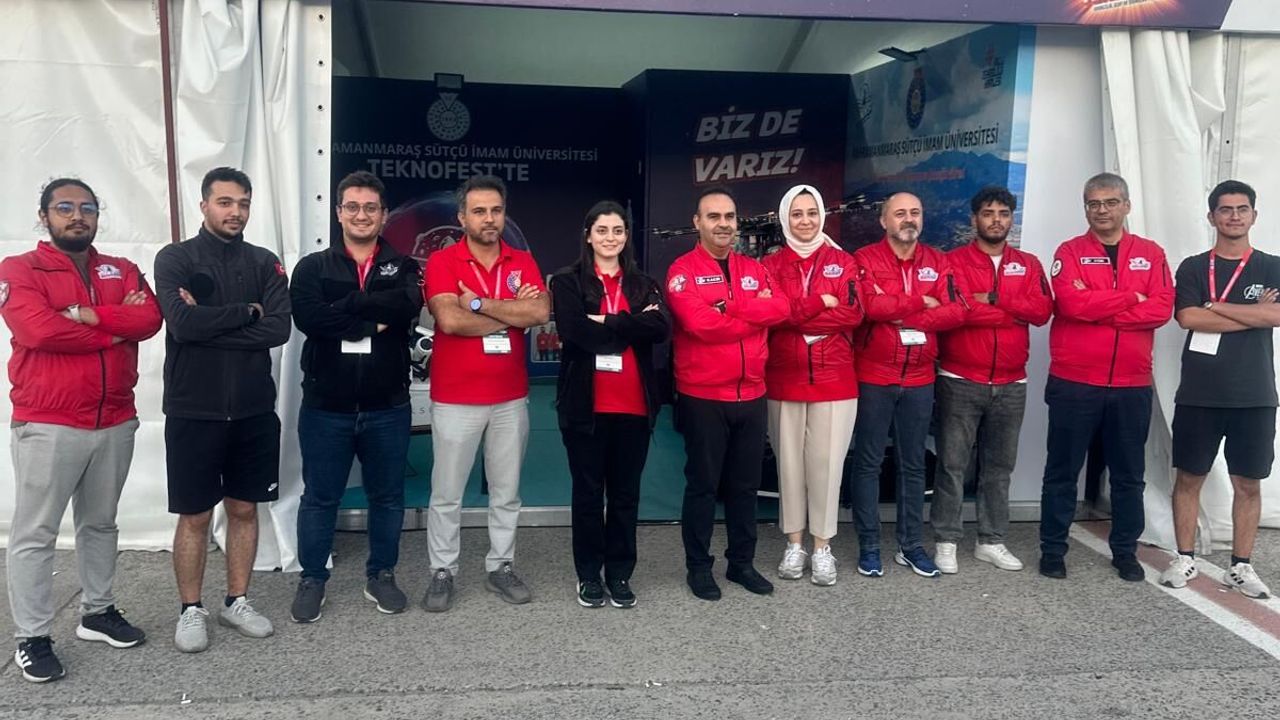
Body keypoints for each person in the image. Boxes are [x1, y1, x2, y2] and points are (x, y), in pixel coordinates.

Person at [1, 179, 162, 682]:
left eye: (87, 208)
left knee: (101, 523)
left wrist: (89, 316)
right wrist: (115, 329)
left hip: (114, 418)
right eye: (65, 207)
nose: (77, 216)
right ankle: (32, 637)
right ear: (43, 215)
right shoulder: (19, 269)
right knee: (36, 533)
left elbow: (150, 319)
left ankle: (97, 612)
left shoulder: (121, 267)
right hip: (49, 421)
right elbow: (37, 330)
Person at [154, 167, 292, 652]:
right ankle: (190, 609)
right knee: (194, 515)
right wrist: (247, 312)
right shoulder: (175, 258)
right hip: (194, 409)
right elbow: (182, 325)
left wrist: (210, 324)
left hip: (253, 409)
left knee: (244, 508)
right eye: (225, 202)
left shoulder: (264, 261)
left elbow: (279, 329)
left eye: (244, 203)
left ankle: (237, 601)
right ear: (204, 205)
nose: (236, 212)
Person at [288, 171, 423, 623]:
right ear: (339, 212)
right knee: (320, 497)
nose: (361, 215)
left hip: (388, 405)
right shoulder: (312, 267)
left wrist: (344, 306)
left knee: (387, 497)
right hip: (326, 406)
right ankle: (312, 578)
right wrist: (371, 317)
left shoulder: (404, 266)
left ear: (383, 215)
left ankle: (381, 574)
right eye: (352, 207)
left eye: (370, 208)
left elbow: (406, 307)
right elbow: (310, 318)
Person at [421, 175, 550, 612]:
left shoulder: (522, 260)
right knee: (447, 493)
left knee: (506, 491)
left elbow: (540, 311)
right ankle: (443, 570)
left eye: (496, 210)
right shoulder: (443, 261)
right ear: (462, 217)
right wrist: (513, 315)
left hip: (510, 396)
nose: (489, 218)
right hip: (456, 398)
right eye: (479, 211)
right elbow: (450, 321)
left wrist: (478, 304)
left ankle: (501, 566)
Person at [1039, 172, 1173, 581]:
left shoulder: (1150, 253)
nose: (1102, 210)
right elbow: (1071, 304)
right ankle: (1052, 550)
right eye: (1093, 203)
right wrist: (1132, 297)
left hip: (1131, 385)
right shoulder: (1070, 251)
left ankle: (1125, 552)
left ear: (1126, 206)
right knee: (1062, 471)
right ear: (1086, 209)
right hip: (1075, 382)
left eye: (1110, 202)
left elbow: (1161, 308)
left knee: (1128, 476)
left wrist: (1102, 308)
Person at [666, 185, 788, 601]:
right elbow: (702, 326)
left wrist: (729, 306)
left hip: (752, 394)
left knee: (744, 486)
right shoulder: (682, 271)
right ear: (697, 222)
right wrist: (753, 311)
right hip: (704, 396)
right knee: (703, 486)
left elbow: (780, 309)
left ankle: (741, 564)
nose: (723, 224)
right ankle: (699, 568)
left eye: (729, 217)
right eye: (714, 217)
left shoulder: (754, 268)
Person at [1160, 180, 1280, 599]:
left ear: (1254, 216)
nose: (1234, 216)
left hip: (1255, 395)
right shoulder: (1194, 267)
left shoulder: (1272, 265)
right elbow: (1188, 318)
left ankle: (1240, 566)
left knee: (1248, 483)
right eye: (1225, 209)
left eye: (1242, 209)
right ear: (1211, 217)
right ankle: (1184, 556)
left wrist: (1216, 306)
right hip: (1200, 393)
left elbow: (1277, 317)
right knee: (1188, 477)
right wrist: (1254, 312)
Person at [551, 201, 671, 608]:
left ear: (626, 236)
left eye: (617, 230)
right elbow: (574, 330)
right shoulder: (567, 282)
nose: (610, 238)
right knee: (588, 495)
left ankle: (619, 573)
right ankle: (588, 575)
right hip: (585, 408)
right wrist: (630, 325)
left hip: (634, 407)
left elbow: (660, 328)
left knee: (625, 496)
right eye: (602, 230)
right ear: (588, 235)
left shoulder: (642, 283)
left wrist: (606, 320)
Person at [932, 186, 1052, 574]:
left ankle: (991, 540)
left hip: (1012, 382)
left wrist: (996, 298)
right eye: (988, 213)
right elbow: (959, 311)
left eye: (1003, 213)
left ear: (1011, 219)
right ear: (974, 219)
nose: (996, 220)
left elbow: (1041, 311)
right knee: (952, 465)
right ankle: (947, 540)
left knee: (999, 468)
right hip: (960, 377)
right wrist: (1011, 310)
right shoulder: (953, 262)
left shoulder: (1029, 264)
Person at [849, 192, 966, 579]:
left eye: (915, 212)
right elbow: (870, 307)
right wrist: (922, 301)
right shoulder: (865, 259)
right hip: (874, 374)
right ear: (884, 221)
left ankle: (911, 545)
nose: (908, 219)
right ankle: (869, 545)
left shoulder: (938, 261)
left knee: (913, 465)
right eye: (900, 213)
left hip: (919, 377)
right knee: (868, 463)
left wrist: (908, 315)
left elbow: (956, 311)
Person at [760, 184, 863, 586]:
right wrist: (822, 302)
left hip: (835, 381)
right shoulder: (770, 265)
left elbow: (853, 314)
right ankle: (794, 544)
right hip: (784, 379)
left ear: (822, 216)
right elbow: (773, 314)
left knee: (826, 467)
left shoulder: (844, 262)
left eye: (812, 213)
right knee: (789, 467)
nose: (805, 221)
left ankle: (822, 548)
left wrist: (798, 317)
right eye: (797, 214)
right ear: (785, 218)